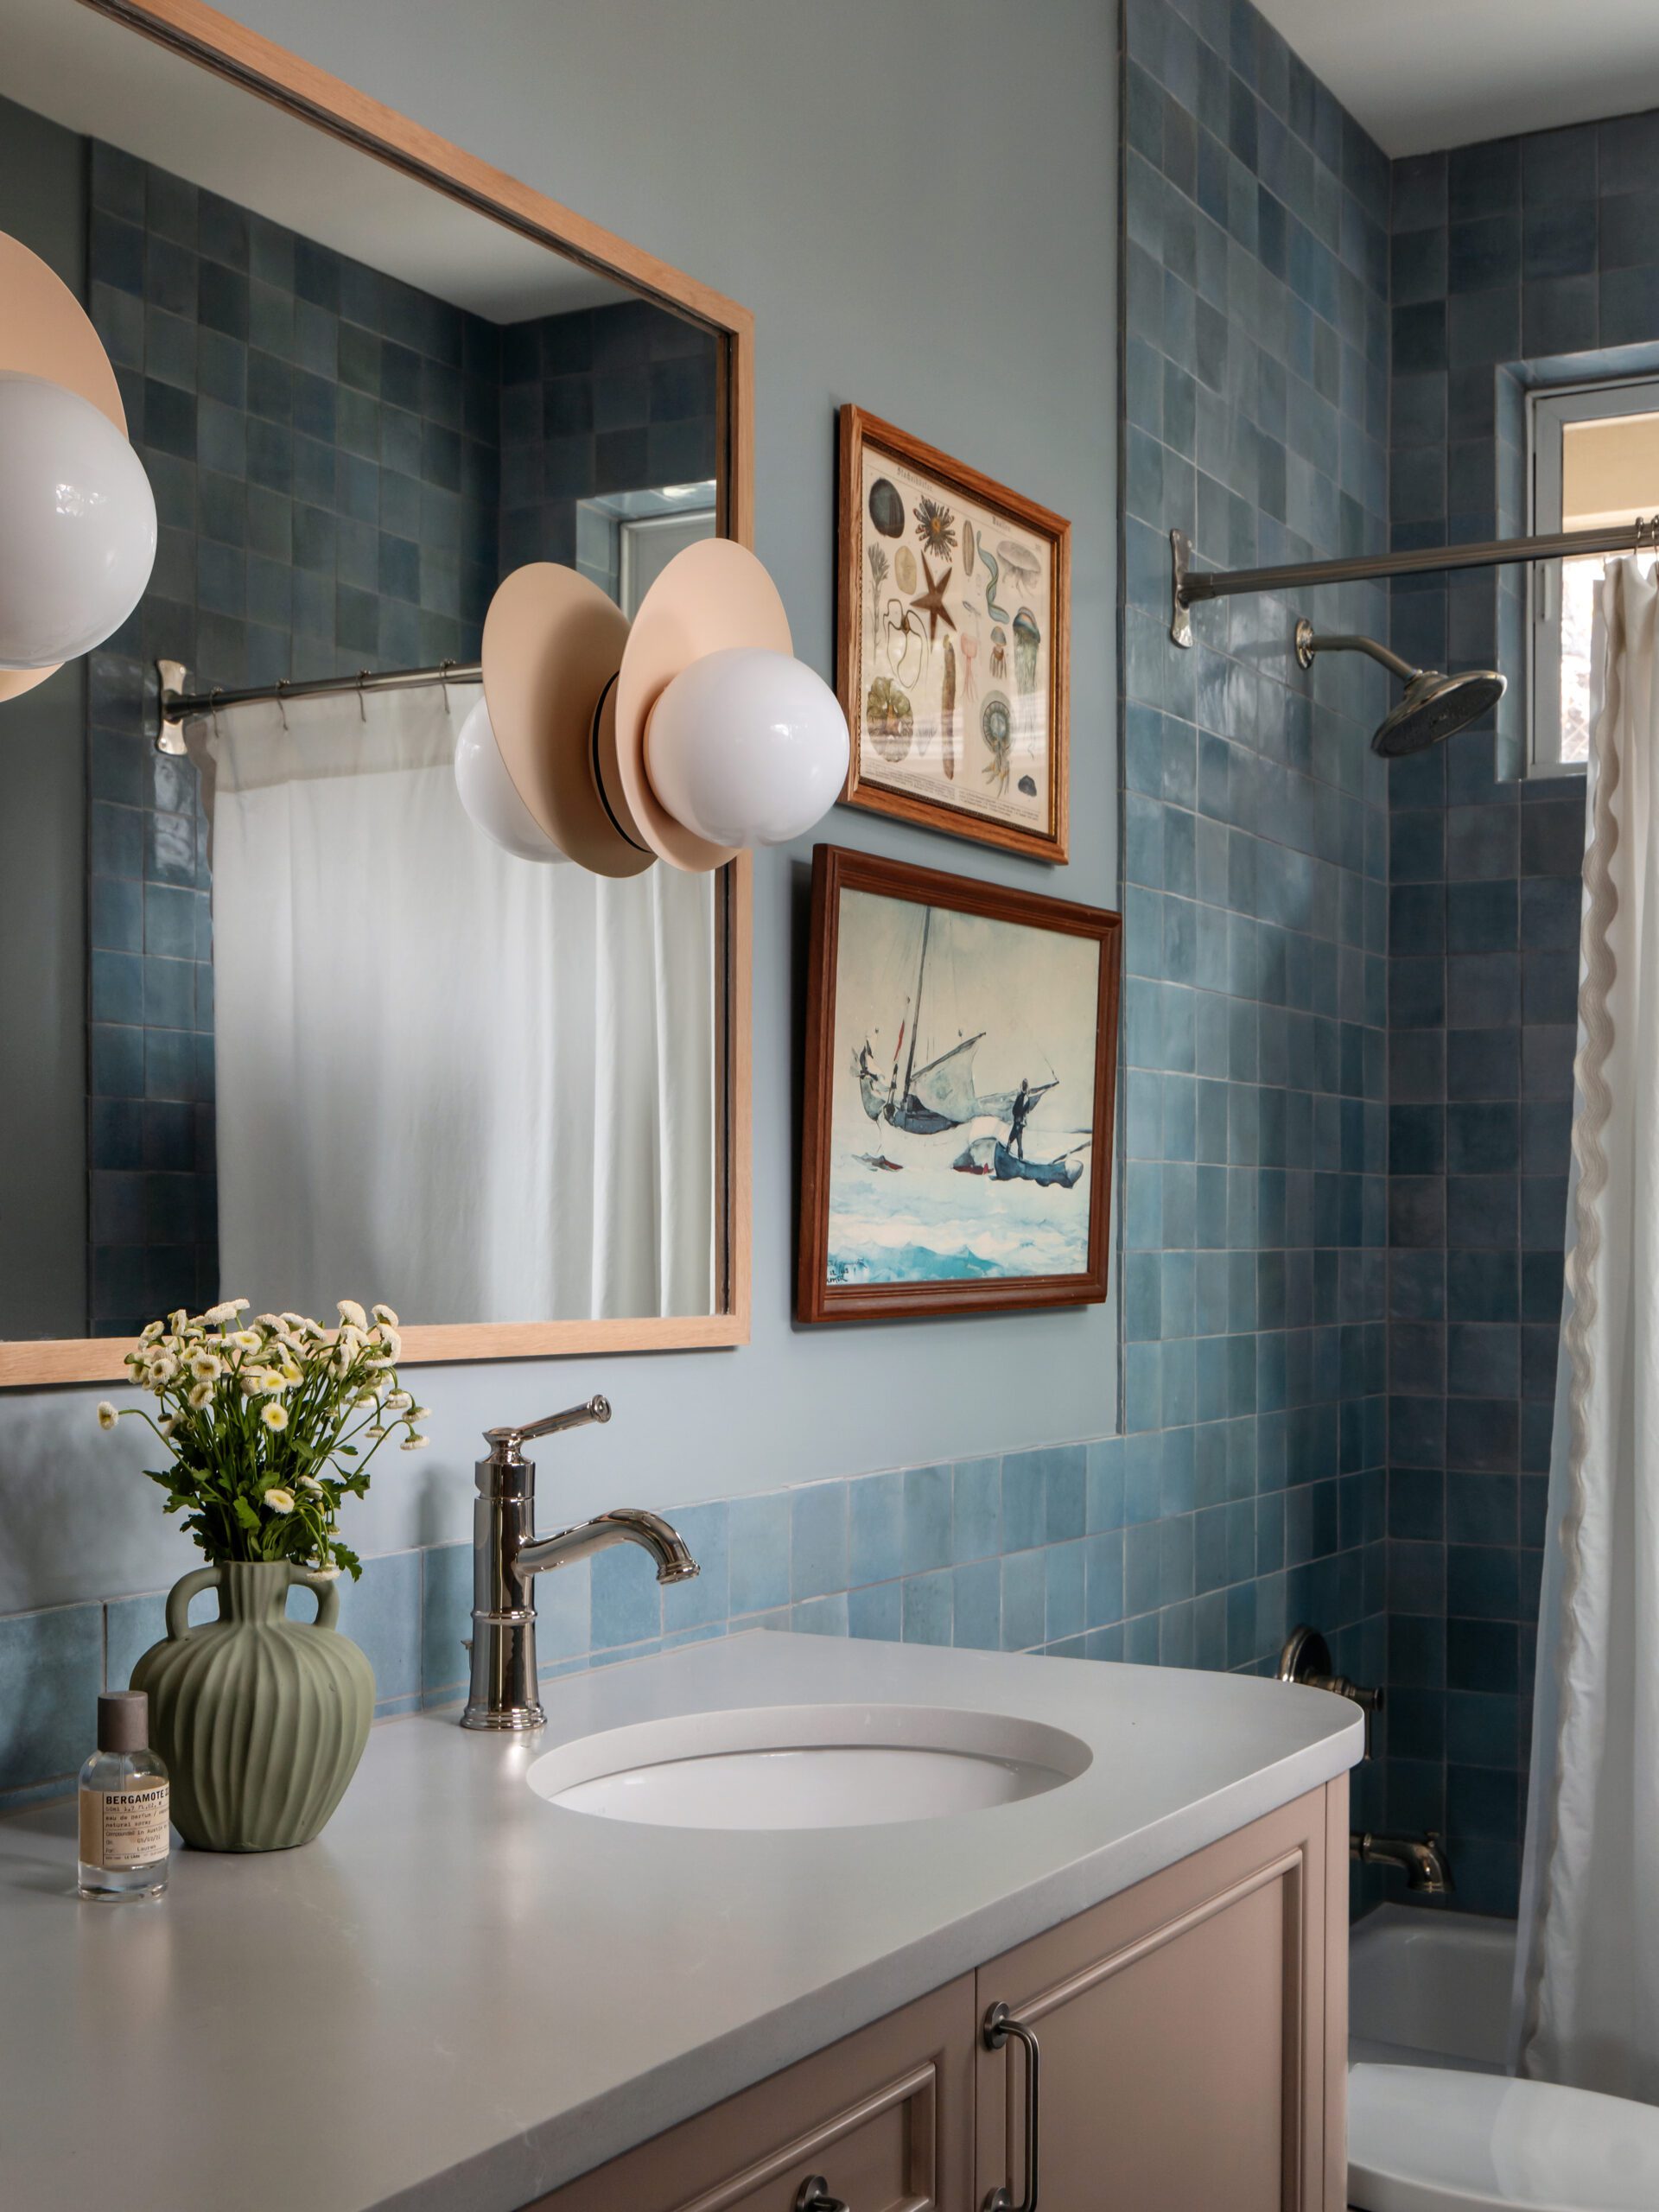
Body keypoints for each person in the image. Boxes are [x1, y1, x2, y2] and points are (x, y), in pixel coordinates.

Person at [1007, 1077, 1034, 1160]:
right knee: (1018, 1142)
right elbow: (1015, 1109)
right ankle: (1020, 1159)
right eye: (1023, 1084)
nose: (1024, 1086)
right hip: (1018, 1122)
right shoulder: (1021, 1097)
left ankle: (1010, 1156)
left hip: (1019, 1123)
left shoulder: (1025, 1098)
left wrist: (1018, 1117)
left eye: (1025, 1085)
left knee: (1011, 1140)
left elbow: (1022, 1110)